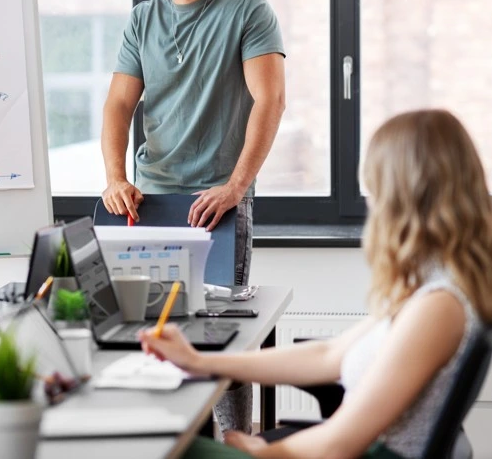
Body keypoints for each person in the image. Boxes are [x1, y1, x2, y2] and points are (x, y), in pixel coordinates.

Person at [141, 109, 492, 458]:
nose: (373, 202)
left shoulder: (439, 306)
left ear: (404, 196)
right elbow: (329, 355)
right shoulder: (432, 286)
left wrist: (261, 451)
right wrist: (201, 361)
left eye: (376, 187)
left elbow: (340, 444)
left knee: (161, 448)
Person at [101, 0, 286, 434]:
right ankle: (165, 439)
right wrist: (116, 176)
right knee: (152, 329)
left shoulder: (246, 7)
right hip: (153, 198)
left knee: (222, 333)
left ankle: (233, 443)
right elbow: (118, 105)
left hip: (220, 199)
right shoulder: (142, 19)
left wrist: (236, 186)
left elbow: (269, 100)